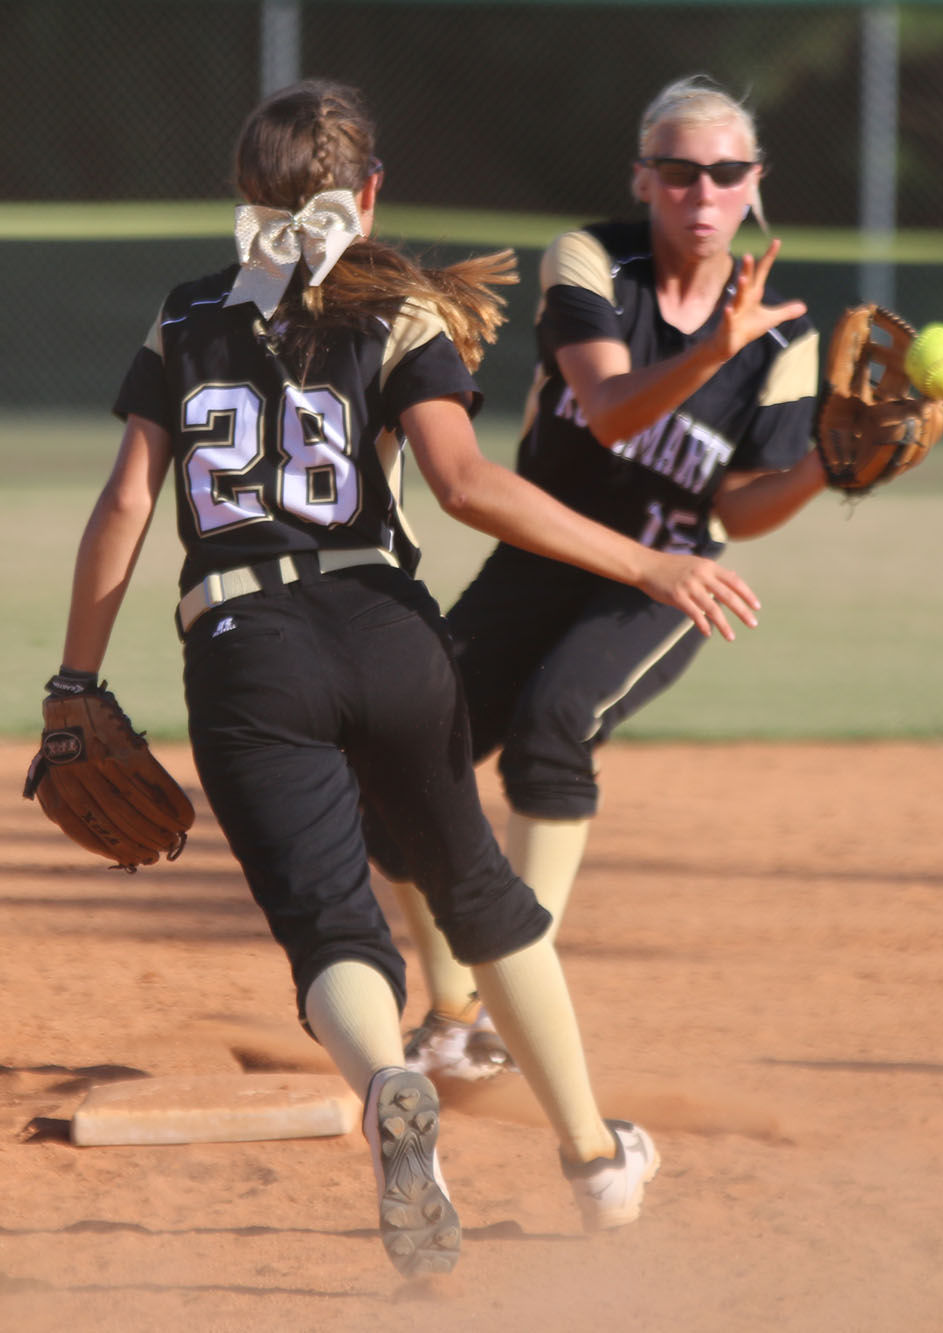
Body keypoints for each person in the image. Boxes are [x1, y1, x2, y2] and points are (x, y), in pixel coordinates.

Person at [48, 79, 772, 1278]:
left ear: (244, 195)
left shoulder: (185, 316)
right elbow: (468, 487)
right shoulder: (404, 315)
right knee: (479, 889)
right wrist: (647, 560)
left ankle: (391, 1081)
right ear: (369, 192)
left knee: (331, 924)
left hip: (244, 651)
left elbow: (128, 502)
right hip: (390, 630)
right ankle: (596, 1161)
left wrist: (76, 680)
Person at [372, 74, 826, 1082]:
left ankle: (499, 999)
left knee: (555, 720)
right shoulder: (591, 259)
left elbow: (741, 507)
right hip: (543, 550)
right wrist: (714, 348)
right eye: (677, 171)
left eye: (723, 173)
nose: (700, 193)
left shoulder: (786, 342)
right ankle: (455, 1014)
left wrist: (823, 467)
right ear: (643, 177)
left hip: (661, 583)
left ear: (753, 184)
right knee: (397, 762)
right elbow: (612, 407)